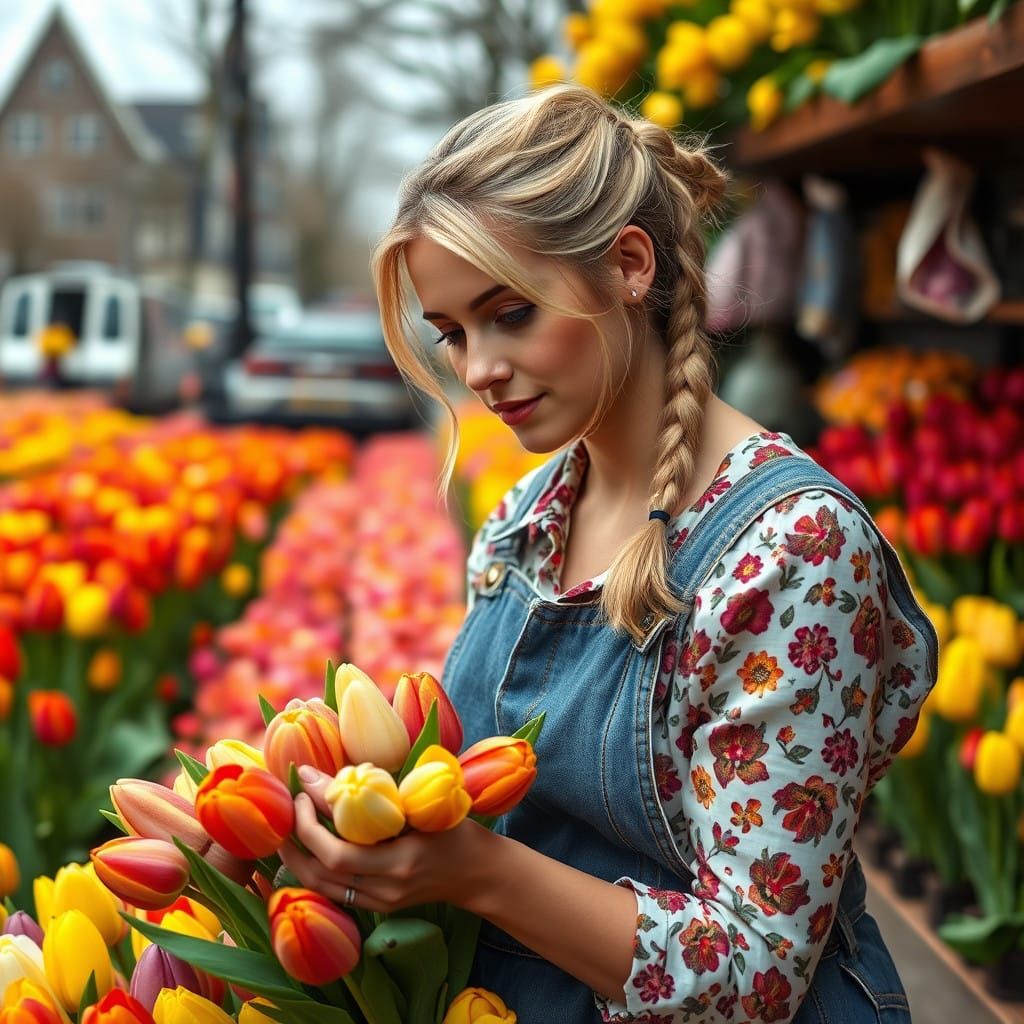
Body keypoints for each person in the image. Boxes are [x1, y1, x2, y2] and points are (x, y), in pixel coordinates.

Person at [280, 84, 937, 1023]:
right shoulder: (524, 517)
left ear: (629, 265)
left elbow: (759, 970)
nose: (477, 371)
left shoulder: (791, 551)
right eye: (454, 334)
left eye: (509, 314)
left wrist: (477, 871)